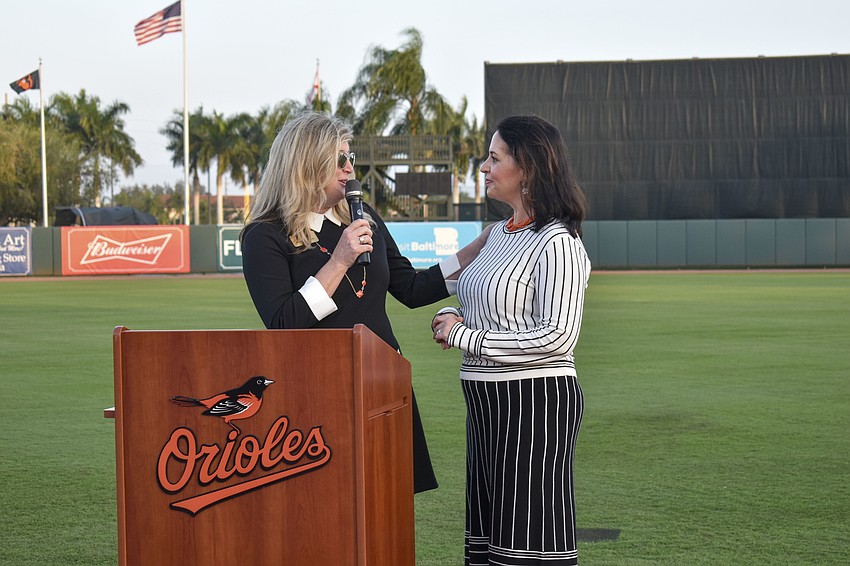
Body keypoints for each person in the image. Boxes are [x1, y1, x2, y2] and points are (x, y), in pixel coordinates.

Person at [240, 111, 489, 494]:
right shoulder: (264, 234)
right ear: (308, 164)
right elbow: (283, 323)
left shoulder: (363, 216)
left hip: (382, 381)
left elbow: (411, 287)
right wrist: (339, 260)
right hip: (317, 391)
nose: (348, 169)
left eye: (349, 158)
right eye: (339, 159)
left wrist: (479, 248)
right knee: (331, 501)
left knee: (388, 500)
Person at [431, 115, 591, 566]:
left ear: (528, 168)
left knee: (527, 545)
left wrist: (464, 335)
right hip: (486, 406)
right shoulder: (499, 234)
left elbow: (557, 335)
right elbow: (495, 309)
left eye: (494, 158)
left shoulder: (557, 241)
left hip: (533, 404)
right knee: (490, 543)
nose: (483, 167)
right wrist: (454, 313)